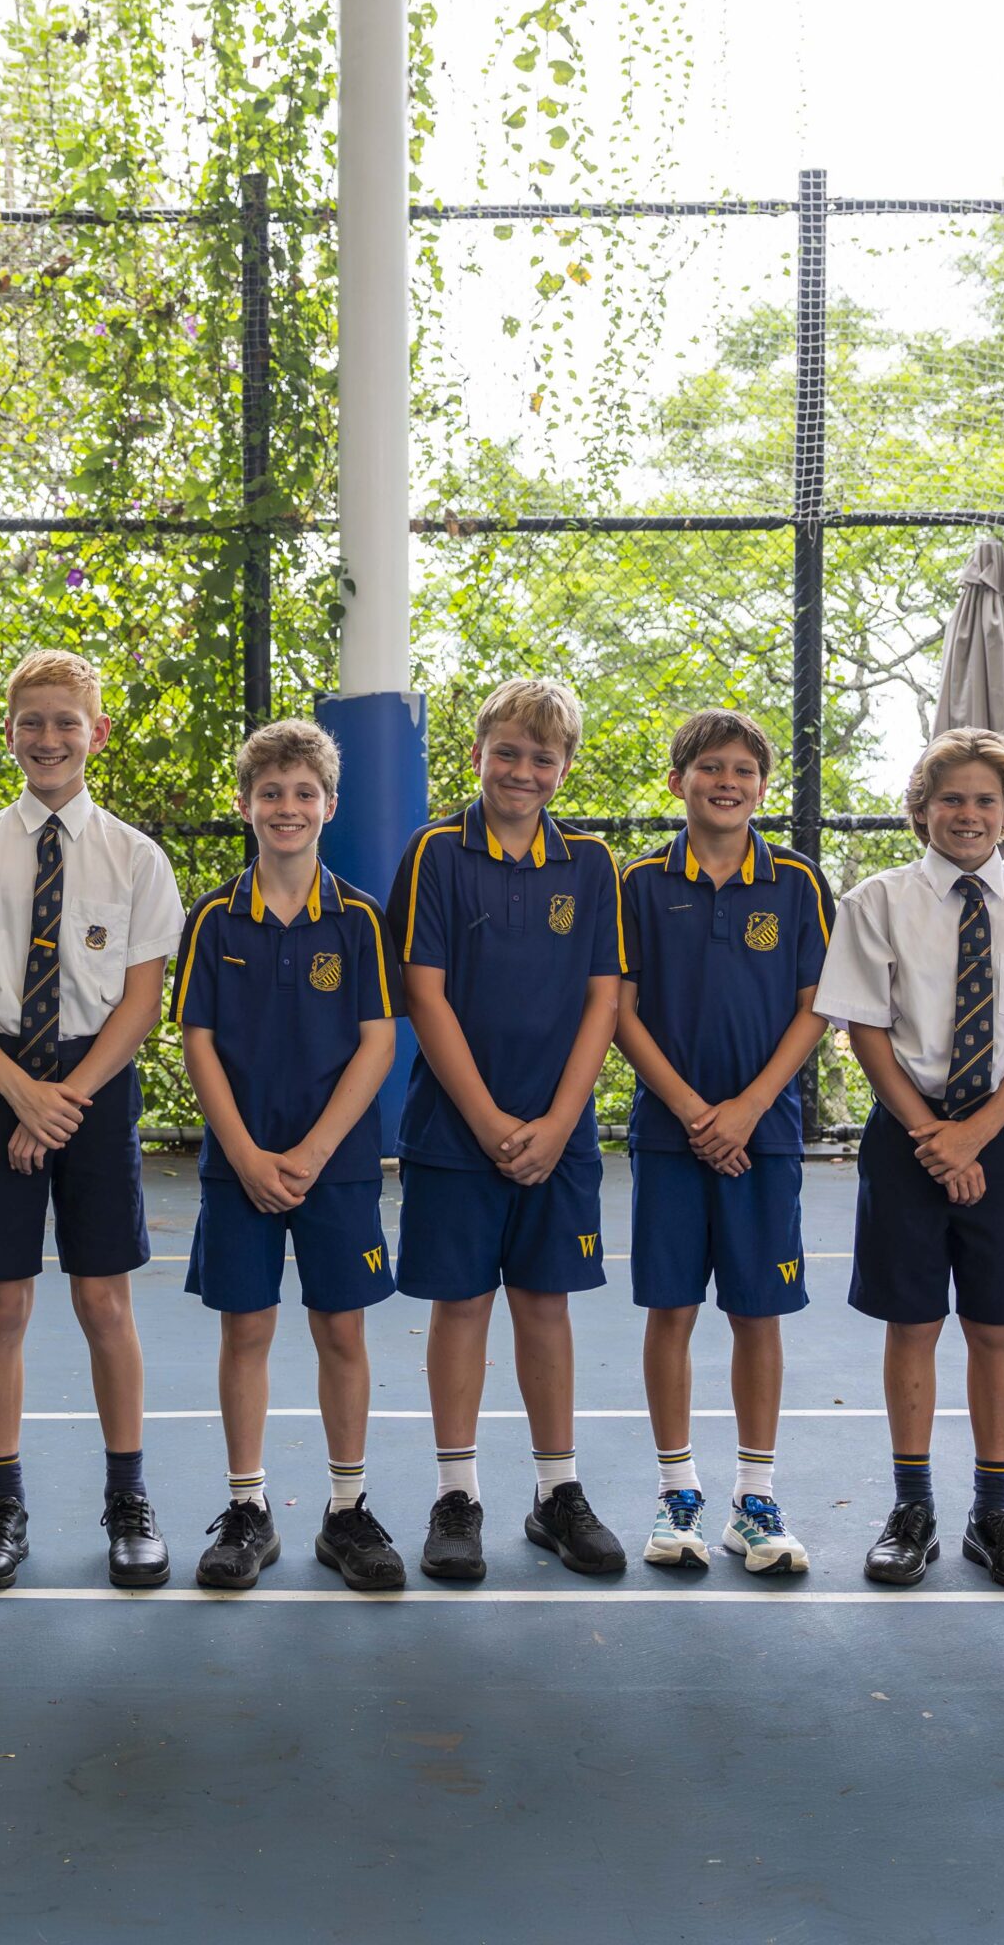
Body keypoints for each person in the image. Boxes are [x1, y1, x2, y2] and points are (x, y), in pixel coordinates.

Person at [0, 649, 183, 1589]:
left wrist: (62, 1101)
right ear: (9, 733)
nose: (48, 737)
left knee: (103, 1300)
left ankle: (128, 1499)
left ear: (97, 733)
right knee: (3, 1302)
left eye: (66, 721)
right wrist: (20, 1092)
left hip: (94, 1084)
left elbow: (142, 1002)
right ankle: (3, 1503)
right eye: (31, 721)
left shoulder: (136, 857)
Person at [387, 677, 628, 1583]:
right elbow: (424, 994)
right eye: (508, 752)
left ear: (564, 768)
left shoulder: (592, 865)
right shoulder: (435, 852)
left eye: (542, 757)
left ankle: (556, 1492)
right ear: (478, 753)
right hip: (456, 1133)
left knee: (544, 1303)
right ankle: (457, 1495)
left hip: (559, 1134)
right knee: (461, 1306)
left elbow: (604, 999)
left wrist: (560, 1120)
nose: (523, 770)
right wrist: (489, 1121)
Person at [816, 730, 1004, 1592]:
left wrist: (978, 1134)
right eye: (951, 798)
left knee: (995, 1326)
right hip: (908, 1133)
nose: (968, 814)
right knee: (913, 1322)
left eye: (986, 800)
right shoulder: (877, 900)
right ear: (921, 810)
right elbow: (864, 1029)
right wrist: (934, 1134)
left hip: (1003, 1132)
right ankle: (912, 1508)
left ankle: (994, 1512)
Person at [175, 722, 404, 1592]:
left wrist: (312, 1150)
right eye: (270, 792)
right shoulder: (212, 918)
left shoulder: (359, 919)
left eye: (304, 792)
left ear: (330, 806)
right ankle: (248, 1508)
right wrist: (243, 1152)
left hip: (334, 1166)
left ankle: (346, 1510)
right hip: (239, 1165)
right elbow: (197, 1042)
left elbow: (377, 1044)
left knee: (341, 1329)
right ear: (245, 804)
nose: (287, 806)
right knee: (247, 1329)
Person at [615, 709, 832, 1577]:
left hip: (764, 1136)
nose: (727, 782)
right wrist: (697, 1114)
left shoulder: (798, 881)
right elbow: (620, 1011)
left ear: (763, 787)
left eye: (744, 770)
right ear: (679, 781)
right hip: (670, 1138)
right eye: (710, 767)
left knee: (756, 1312)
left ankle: (755, 1500)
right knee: (671, 1311)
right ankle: (677, 1495)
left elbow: (816, 1008)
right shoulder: (638, 882)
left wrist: (746, 1108)